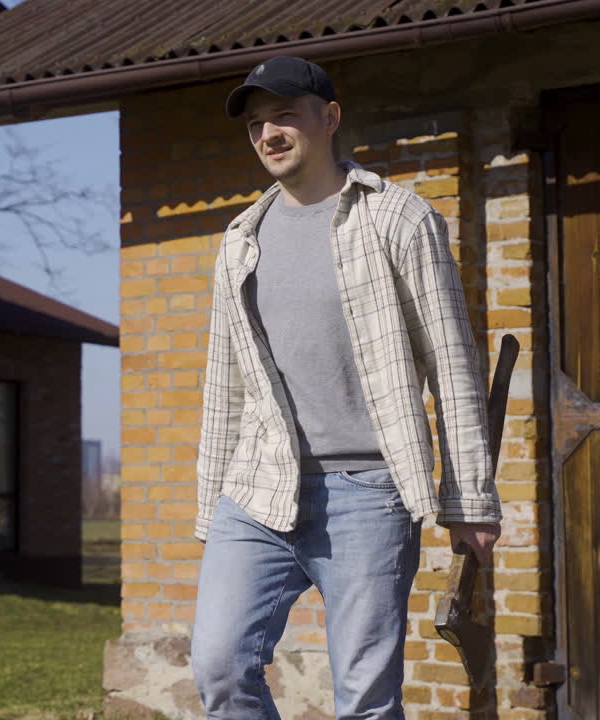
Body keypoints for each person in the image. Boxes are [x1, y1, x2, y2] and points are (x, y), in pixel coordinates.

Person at [190, 55, 503, 720]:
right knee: (219, 664)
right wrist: (210, 508)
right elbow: (227, 384)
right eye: (255, 123)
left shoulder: (398, 219)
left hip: (367, 494)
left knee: (364, 700)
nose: (268, 133)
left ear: (329, 118)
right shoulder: (240, 239)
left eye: (284, 115)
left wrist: (470, 499)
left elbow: (451, 365)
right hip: (257, 491)